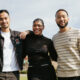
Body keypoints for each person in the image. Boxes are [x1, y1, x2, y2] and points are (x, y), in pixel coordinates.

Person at [52, 9, 80, 80]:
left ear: (68, 18)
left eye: (63, 16)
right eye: (58, 17)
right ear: (55, 20)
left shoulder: (77, 33)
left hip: (77, 75)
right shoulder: (54, 38)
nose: (61, 19)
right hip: (61, 76)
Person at [0, 9, 28, 80]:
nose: (4, 21)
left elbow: (33, 34)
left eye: (6, 18)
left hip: (14, 73)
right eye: (1, 19)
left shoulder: (17, 35)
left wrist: (27, 32)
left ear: (9, 19)